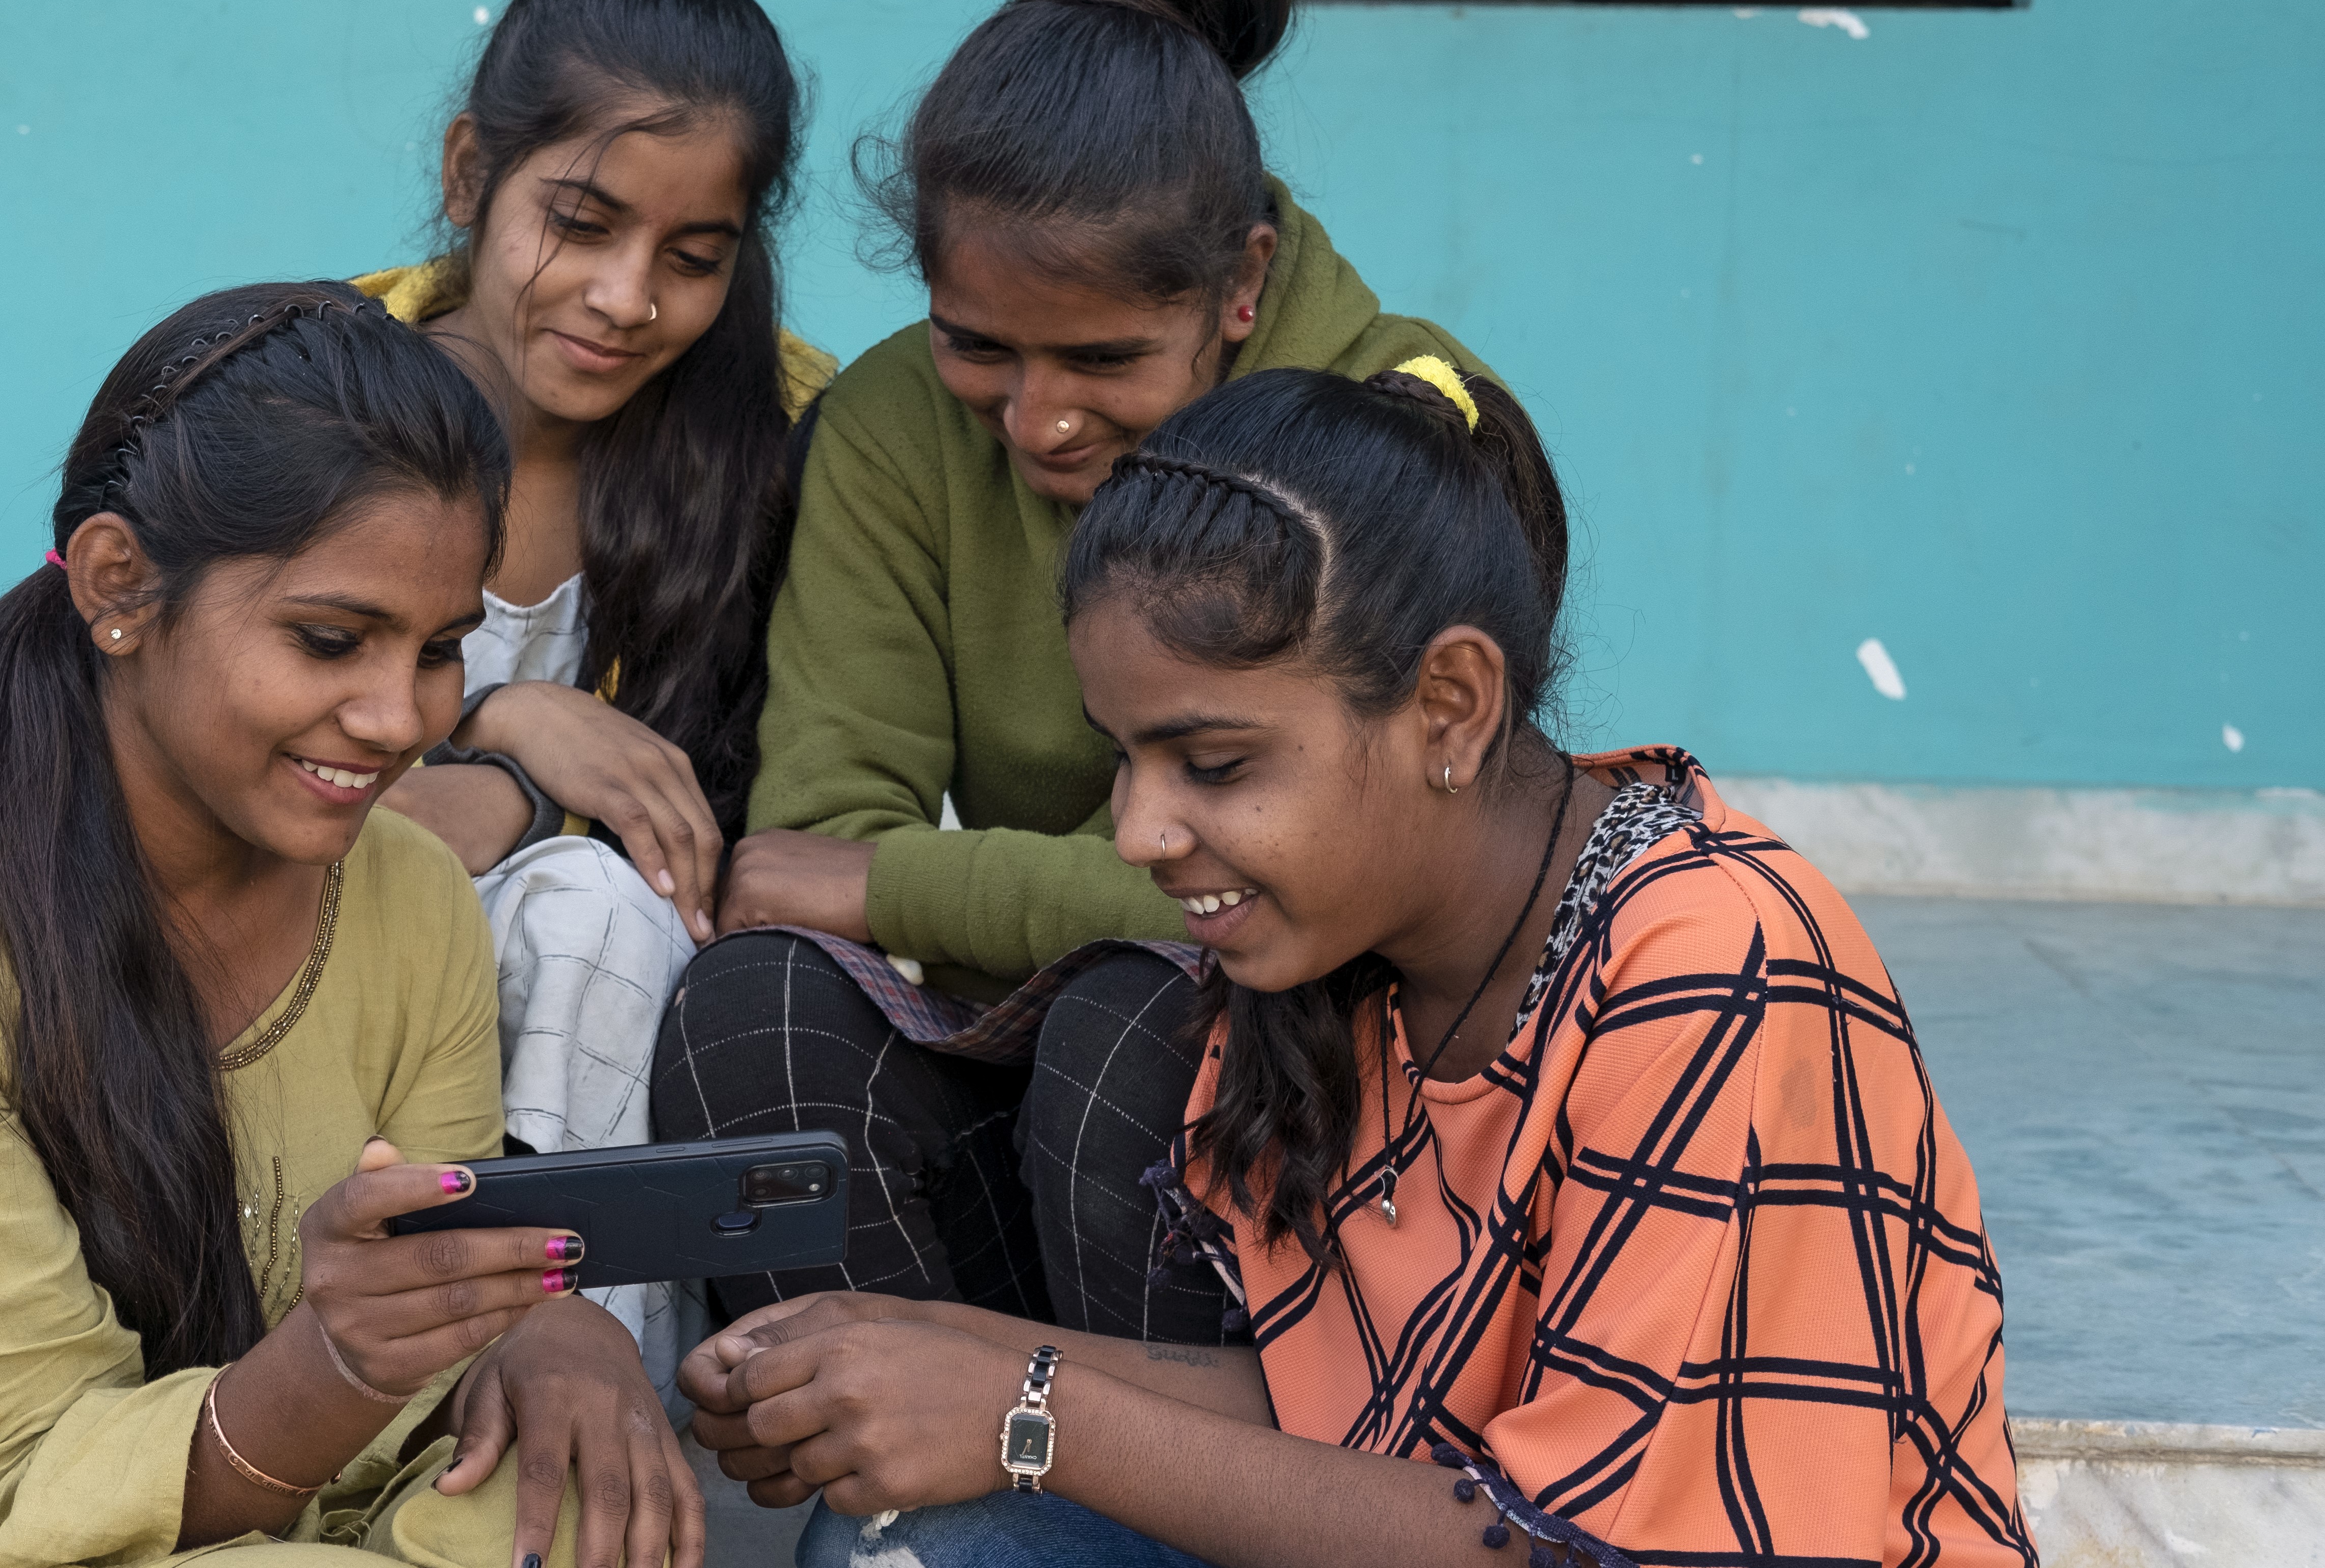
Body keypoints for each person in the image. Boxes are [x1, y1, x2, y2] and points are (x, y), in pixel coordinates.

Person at [679, 365, 2036, 1567]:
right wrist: (923, 1353)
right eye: (1123, 758)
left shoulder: (1720, 961)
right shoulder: (1357, 957)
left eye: (1215, 765)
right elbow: (1339, 1412)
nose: (1142, 833)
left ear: (1448, 708)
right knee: (902, 1531)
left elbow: (1571, 1544)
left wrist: (1024, 1419)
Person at [0, 283, 701, 1568]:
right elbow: (32, 1481)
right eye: (331, 640)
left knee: (582, 1494)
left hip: (308, 1533)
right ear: (119, 585)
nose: (398, 720)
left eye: (440, 650)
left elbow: (417, 1416)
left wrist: (540, 1331)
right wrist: (336, 1349)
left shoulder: (413, 896)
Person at [651, 0, 1491, 1342]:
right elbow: (808, 859)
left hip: (1334, 1118)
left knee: (1146, 1007)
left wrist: (919, 888)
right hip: (1038, 1089)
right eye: (979, 346)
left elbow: (1342, 898)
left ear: (1240, 287)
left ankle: (1180, 1495)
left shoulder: (1398, 428)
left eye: (1102, 361)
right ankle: (906, 1513)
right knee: (753, 1016)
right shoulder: (897, 427)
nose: (1035, 421)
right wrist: (915, 888)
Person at [357, 0, 831, 1383]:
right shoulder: (306, 388)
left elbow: (770, 806)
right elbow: (169, 757)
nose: (628, 298)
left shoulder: (788, 439)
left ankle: (585, 1402)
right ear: (467, 178)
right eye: (581, 223)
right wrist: (508, 726)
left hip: (620, 1013)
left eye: (692, 259)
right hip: (317, 955)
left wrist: (527, 797)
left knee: (594, 907)